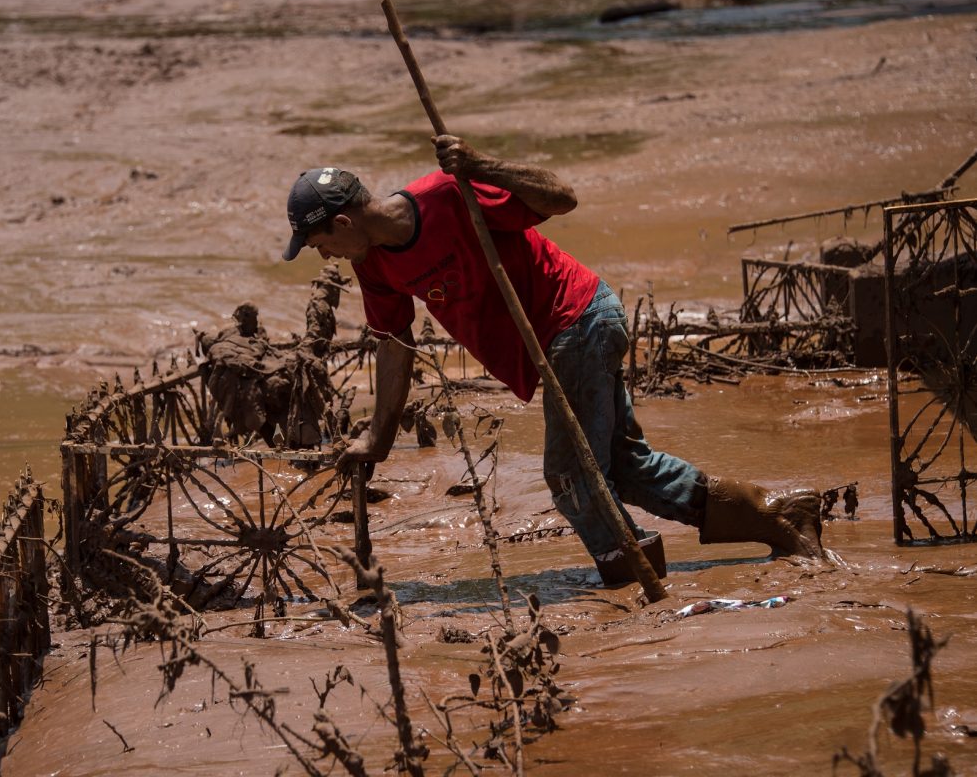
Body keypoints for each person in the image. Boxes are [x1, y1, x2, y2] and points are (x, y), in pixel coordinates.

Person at [281, 137, 827, 586]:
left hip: (578, 318)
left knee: (569, 474)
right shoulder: (375, 265)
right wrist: (376, 437)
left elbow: (561, 198)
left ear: (344, 223)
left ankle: (634, 575)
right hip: (559, 340)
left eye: (317, 242)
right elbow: (393, 342)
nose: (322, 255)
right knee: (623, 466)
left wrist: (479, 166)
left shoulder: (447, 196)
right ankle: (779, 515)